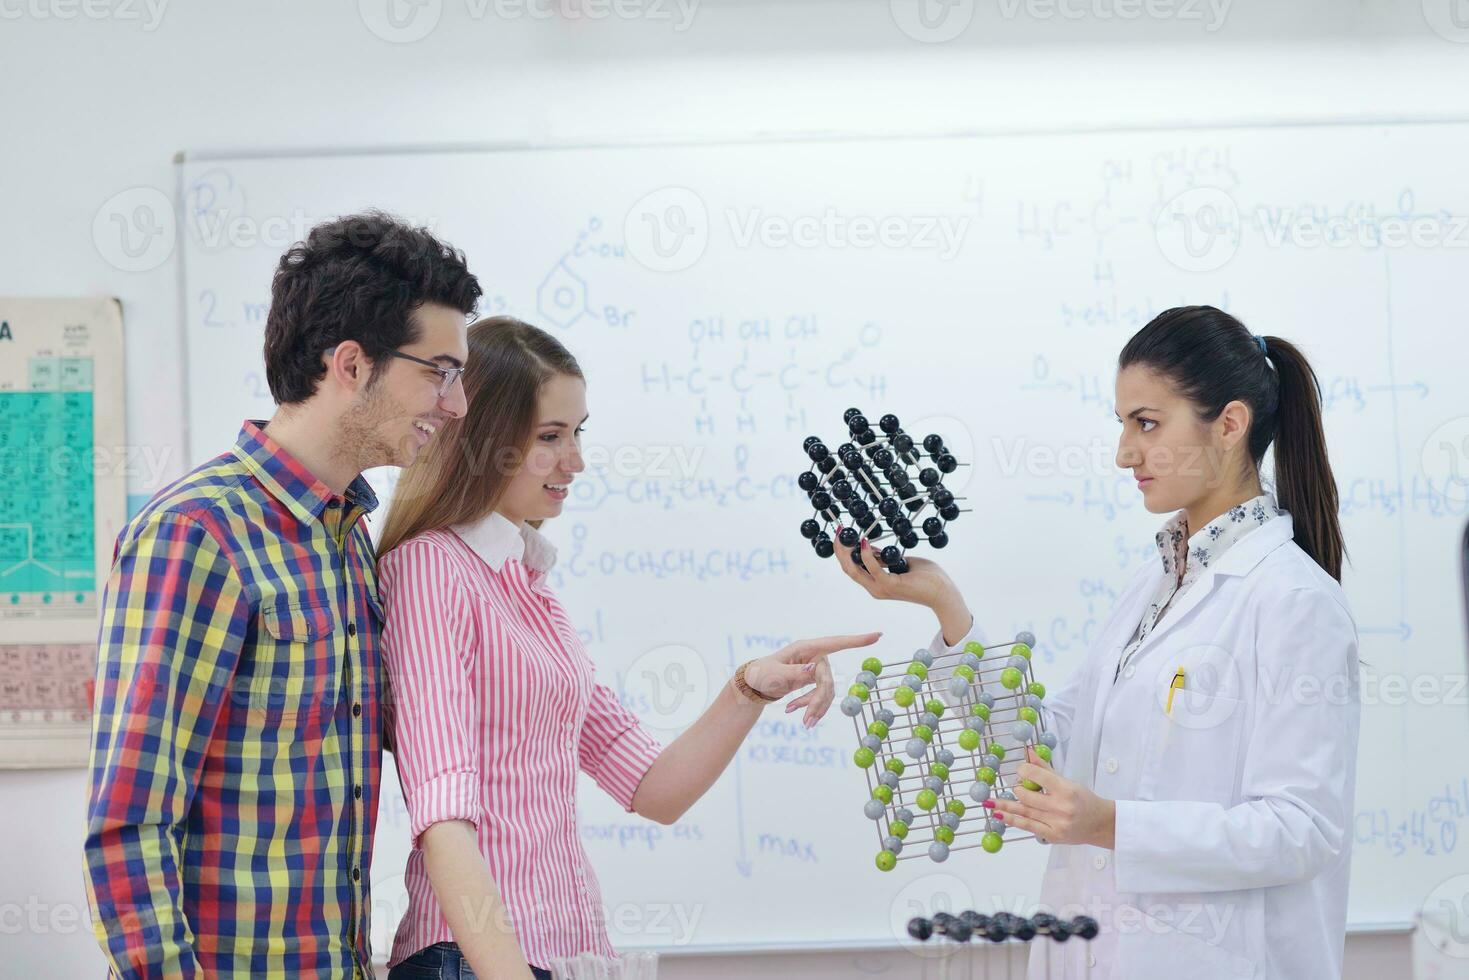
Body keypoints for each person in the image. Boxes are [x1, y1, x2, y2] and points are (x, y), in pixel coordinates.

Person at [833, 306, 1359, 979]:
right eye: (1122, 425)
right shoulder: (1157, 580)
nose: (1123, 453)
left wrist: (1109, 823)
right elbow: (1053, 746)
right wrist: (947, 607)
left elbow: (1300, 831)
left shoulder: (1293, 600)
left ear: (1229, 425)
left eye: (1146, 423)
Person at [376, 316, 879, 980]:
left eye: (576, 434)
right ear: (482, 439)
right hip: (478, 961)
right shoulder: (431, 568)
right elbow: (442, 817)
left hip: (554, 956)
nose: (575, 461)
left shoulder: (530, 592)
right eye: (549, 437)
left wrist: (747, 689)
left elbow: (652, 790)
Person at [83, 212, 481, 978]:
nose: (456, 404)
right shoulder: (195, 532)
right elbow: (129, 820)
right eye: (439, 370)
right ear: (352, 365)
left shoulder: (347, 535)